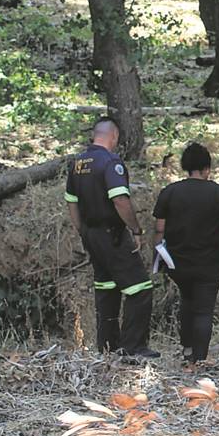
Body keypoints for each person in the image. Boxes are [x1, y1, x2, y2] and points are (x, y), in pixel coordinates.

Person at [64, 117, 158, 359]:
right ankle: (133, 348)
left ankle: (107, 347)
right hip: (112, 234)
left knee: (107, 288)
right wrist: (136, 230)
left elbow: (72, 203)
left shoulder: (77, 163)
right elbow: (120, 200)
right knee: (140, 288)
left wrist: (82, 232)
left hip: (91, 234)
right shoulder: (110, 162)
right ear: (113, 136)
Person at [150, 142, 219, 366]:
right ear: (207, 168)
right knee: (203, 309)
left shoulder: (169, 192)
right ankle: (198, 360)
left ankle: (187, 349)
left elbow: (159, 229)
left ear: (185, 167)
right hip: (209, 264)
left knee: (187, 302)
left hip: (177, 263)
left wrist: (157, 259)